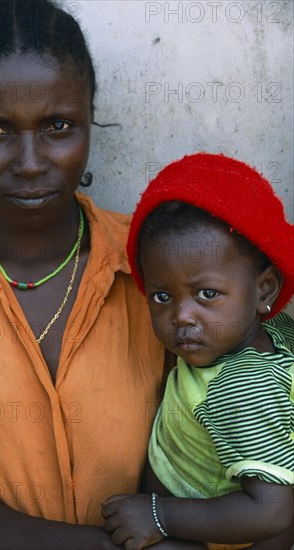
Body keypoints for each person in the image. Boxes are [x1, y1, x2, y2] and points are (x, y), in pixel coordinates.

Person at [0, 1, 202, 548]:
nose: (32, 162)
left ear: (89, 116)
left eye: (58, 125)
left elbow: (255, 442)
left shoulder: (162, 269)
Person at [102, 153, 294, 550]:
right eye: (161, 296)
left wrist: (159, 514)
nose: (181, 316)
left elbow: (271, 513)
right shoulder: (266, 333)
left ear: (265, 290)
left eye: (207, 294)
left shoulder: (242, 387)